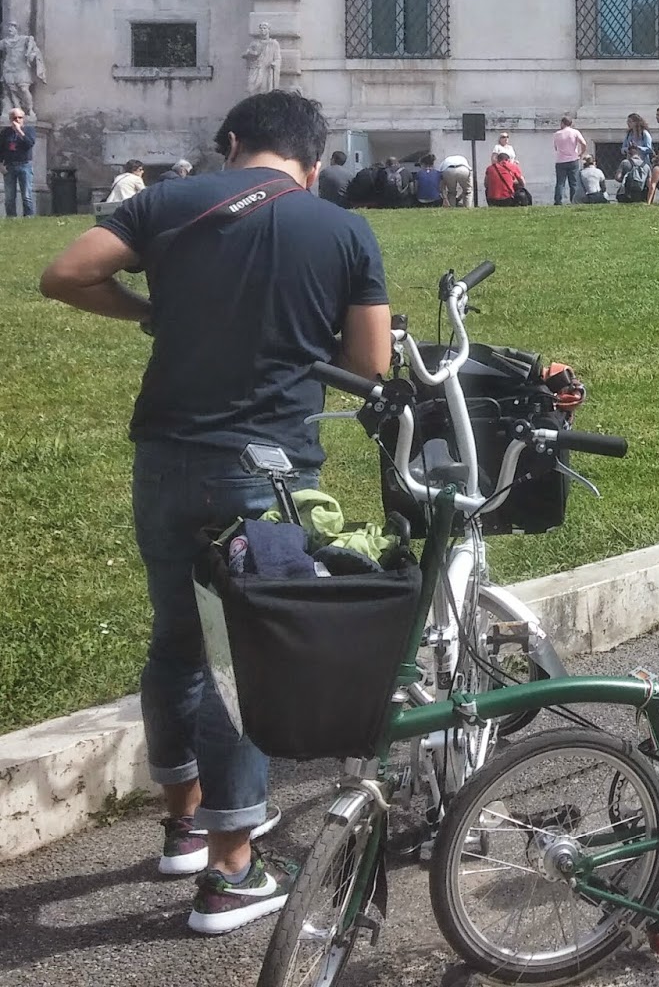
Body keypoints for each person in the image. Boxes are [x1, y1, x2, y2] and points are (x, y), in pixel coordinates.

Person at [37, 89, 390, 936]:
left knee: (176, 646)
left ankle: (183, 828)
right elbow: (371, 364)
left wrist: (150, 311)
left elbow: (66, 275)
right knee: (247, 664)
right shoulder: (342, 229)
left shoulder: (165, 201)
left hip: (163, 459)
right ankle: (233, 874)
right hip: (263, 475)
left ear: (231, 142)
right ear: (314, 158)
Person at [2, 105, 36, 216]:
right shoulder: (5, 133)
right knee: (10, 196)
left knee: (26, 195)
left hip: (25, 165)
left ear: (23, 119)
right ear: (10, 119)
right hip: (9, 166)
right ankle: (11, 218)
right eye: (14, 118)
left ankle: (29, 217)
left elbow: (29, 144)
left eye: (20, 117)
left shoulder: (29, 130)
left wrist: (19, 131)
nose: (17, 120)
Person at [552, 116, 587, 205]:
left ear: (562, 123)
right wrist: (581, 153)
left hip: (560, 161)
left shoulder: (557, 134)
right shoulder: (575, 132)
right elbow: (583, 143)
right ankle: (573, 201)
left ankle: (558, 201)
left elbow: (556, 148)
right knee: (574, 183)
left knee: (560, 183)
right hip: (573, 159)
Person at [241, 24, 280, 95]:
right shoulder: (254, 43)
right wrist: (251, 54)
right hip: (255, 69)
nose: (262, 30)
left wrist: (274, 64)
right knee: (251, 89)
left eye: (264, 28)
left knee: (264, 90)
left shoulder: (273, 43)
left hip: (267, 70)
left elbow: (277, 58)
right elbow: (245, 54)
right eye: (261, 28)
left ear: (268, 30)